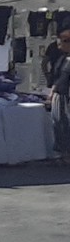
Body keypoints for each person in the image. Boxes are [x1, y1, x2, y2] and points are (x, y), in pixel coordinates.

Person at [48, 28, 70, 165]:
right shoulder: (63, 58)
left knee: (63, 124)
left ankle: (65, 153)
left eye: (62, 42)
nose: (59, 45)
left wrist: (51, 92)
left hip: (64, 94)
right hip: (60, 93)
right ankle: (62, 153)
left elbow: (63, 77)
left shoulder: (68, 60)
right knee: (58, 123)